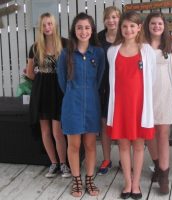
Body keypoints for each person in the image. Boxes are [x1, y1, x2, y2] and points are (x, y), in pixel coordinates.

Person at [106, 11, 156, 200]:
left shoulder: (147, 50)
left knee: (138, 145)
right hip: (120, 105)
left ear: (139, 28)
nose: (128, 30)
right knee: (123, 145)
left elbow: (151, 78)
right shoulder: (113, 51)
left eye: (132, 26)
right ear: (121, 28)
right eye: (125, 26)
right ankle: (127, 182)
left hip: (139, 105)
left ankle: (136, 184)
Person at [57, 13, 105, 197]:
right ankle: (76, 180)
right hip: (72, 104)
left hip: (92, 104)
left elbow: (99, 78)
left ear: (92, 30)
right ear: (74, 30)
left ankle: (89, 179)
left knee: (91, 145)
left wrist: (89, 92)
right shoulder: (65, 53)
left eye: (87, 27)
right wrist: (74, 93)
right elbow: (62, 81)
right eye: (79, 27)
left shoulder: (98, 53)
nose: (83, 31)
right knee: (74, 145)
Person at [25, 12, 70, 178]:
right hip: (41, 91)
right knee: (45, 130)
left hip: (59, 91)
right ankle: (53, 163)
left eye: (50, 24)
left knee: (58, 131)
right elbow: (30, 74)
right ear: (40, 27)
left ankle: (64, 164)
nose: (47, 27)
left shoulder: (65, 44)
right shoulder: (35, 47)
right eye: (44, 25)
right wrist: (39, 71)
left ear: (55, 25)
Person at [143, 12, 172, 194]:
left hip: (164, 91)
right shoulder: (141, 44)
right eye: (153, 23)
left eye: (159, 23)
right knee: (149, 132)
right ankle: (157, 165)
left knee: (163, 134)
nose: (156, 26)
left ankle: (164, 176)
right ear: (148, 25)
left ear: (164, 25)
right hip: (145, 92)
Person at [97, 6, 121, 175]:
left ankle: (124, 159)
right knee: (105, 123)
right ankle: (106, 159)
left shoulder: (125, 36)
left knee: (121, 124)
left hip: (122, 86)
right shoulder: (98, 38)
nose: (111, 20)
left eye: (114, 17)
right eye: (108, 17)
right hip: (104, 86)